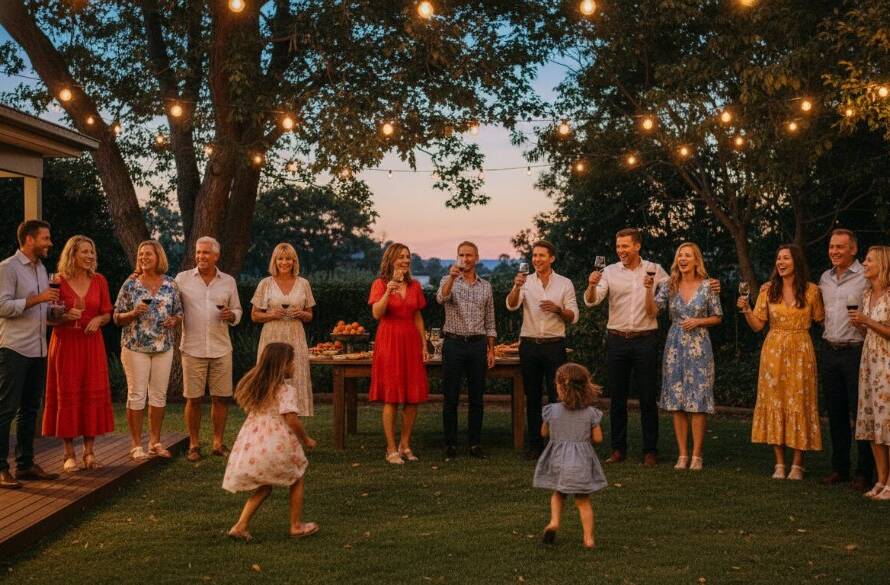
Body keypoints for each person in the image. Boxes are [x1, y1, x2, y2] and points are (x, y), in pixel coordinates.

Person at [738, 244, 824, 480]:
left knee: (799, 401)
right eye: (778, 259)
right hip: (773, 351)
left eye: (786, 258)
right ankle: (779, 463)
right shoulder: (768, 291)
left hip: (801, 351)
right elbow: (757, 325)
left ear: (796, 261)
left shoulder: (812, 291)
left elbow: (821, 319)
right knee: (775, 400)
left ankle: (798, 464)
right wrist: (746, 309)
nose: (781, 262)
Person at [584, 228, 668, 466]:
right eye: (618, 246)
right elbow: (592, 301)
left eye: (625, 246)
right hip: (617, 340)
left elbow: (673, 290)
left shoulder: (655, 269)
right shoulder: (609, 272)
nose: (620, 250)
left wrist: (711, 284)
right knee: (617, 398)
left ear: (637, 246)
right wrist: (591, 285)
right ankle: (618, 449)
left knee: (647, 397)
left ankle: (650, 450)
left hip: (646, 339)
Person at [223, 342, 318, 540]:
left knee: (265, 486)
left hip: (256, 444)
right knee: (298, 476)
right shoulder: (285, 390)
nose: (293, 366)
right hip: (278, 444)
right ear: (282, 364)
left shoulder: (260, 387)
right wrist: (305, 438)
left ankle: (240, 525)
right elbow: (291, 418)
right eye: (291, 362)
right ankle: (296, 525)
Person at [644, 242, 722, 470]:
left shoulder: (709, 286)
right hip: (675, 345)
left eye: (687, 255)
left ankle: (697, 455)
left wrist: (699, 320)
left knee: (697, 401)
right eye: (680, 255)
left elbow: (718, 316)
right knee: (677, 401)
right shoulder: (668, 285)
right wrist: (648, 290)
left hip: (699, 345)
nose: (683, 259)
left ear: (696, 260)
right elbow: (652, 312)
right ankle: (682, 454)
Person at [43, 235, 115, 472]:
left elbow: (107, 312)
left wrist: (98, 319)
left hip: (91, 344)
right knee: (67, 395)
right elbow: (48, 316)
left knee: (89, 395)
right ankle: (69, 454)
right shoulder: (57, 281)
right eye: (84, 251)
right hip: (65, 344)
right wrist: (64, 316)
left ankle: (90, 452)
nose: (90, 256)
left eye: (91, 252)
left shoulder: (100, 280)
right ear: (72, 254)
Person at [0, 220, 60, 488]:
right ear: (29, 239)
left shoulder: (41, 268)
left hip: (38, 349)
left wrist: (57, 313)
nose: (49, 243)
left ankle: (25, 465)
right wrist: (38, 299)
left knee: (30, 409)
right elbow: (2, 307)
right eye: (45, 238)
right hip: (13, 348)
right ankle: (1, 469)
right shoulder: (7, 268)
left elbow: (41, 311)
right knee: (5, 410)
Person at [507, 240, 578, 459]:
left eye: (541, 255)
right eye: (534, 256)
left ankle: (557, 445)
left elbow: (574, 316)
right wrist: (516, 287)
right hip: (529, 345)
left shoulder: (565, 283)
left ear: (552, 258)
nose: (537, 259)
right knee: (533, 397)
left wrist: (558, 310)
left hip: (554, 346)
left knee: (558, 397)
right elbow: (511, 305)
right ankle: (535, 446)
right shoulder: (524, 282)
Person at [113, 240, 183, 460]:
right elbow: (116, 317)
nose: (143, 257)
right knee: (136, 395)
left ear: (158, 257)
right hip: (136, 347)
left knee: (159, 396)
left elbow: (179, 312)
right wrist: (133, 313)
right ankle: (136, 445)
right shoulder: (130, 284)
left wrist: (174, 320)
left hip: (163, 347)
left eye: (148, 254)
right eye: (141, 254)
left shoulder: (170, 284)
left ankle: (155, 442)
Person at [175, 236, 243, 462]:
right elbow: (169, 301)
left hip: (221, 347)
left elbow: (238, 310)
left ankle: (217, 443)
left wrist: (231, 315)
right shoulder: (182, 279)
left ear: (216, 256)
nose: (200, 256)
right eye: (198, 252)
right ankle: (193, 444)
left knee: (220, 398)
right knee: (193, 399)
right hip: (192, 348)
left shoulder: (228, 281)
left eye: (205, 253)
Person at [818, 229, 873, 491]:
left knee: (860, 414)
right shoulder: (824, 279)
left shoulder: (866, 276)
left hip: (856, 351)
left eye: (840, 247)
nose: (834, 251)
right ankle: (839, 468)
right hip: (829, 351)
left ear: (853, 249)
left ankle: (864, 472)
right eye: (831, 247)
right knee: (836, 414)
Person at [533, 363, 606, 550]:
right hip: (580, 463)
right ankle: (588, 539)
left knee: (558, 494)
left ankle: (555, 521)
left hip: (558, 461)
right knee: (583, 501)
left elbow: (544, 433)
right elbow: (598, 438)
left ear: (559, 386)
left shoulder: (551, 411)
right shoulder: (591, 413)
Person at [369, 242, 429, 464]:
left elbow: (417, 317)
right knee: (391, 397)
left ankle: (405, 444)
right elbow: (377, 313)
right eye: (401, 256)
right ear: (391, 259)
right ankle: (391, 448)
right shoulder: (380, 284)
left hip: (411, 342)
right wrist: (388, 290)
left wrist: (424, 345)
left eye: (408, 256)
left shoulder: (415, 286)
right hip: (389, 342)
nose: (405, 260)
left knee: (412, 398)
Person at [436, 241, 496, 459]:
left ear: (477, 258)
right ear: (457, 257)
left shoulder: (486, 286)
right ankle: (450, 445)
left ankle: (475, 444)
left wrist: (491, 349)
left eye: (469, 255)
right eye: (461, 255)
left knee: (476, 398)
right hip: (453, 344)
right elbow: (441, 298)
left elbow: (490, 321)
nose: (465, 258)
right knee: (450, 397)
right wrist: (452, 278)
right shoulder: (447, 280)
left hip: (478, 345)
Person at [250, 243, 316, 416]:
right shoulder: (265, 283)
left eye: (288, 258)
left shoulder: (303, 283)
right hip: (272, 336)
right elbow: (255, 315)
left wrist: (301, 313)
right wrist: (271, 314)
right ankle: (269, 415)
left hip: (295, 335)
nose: (284, 262)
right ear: (275, 261)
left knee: (295, 374)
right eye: (280, 258)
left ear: (294, 261)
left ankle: (294, 417)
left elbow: (310, 316)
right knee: (270, 375)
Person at [851, 246, 890, 499]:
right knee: (872, 421)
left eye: (868, 260)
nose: (864, 263)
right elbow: (869, 332)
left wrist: (867, 322)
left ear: (883, 264)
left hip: (887, 365)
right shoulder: (866, 296)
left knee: (888, 421)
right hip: (869, 362)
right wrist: (863, 325)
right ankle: (881, 479)